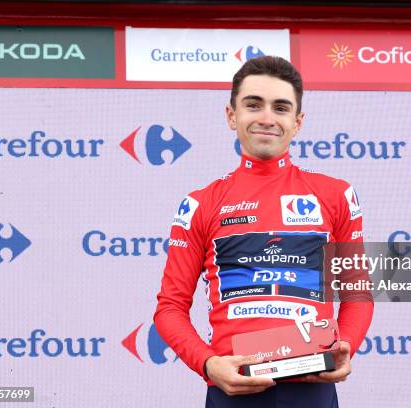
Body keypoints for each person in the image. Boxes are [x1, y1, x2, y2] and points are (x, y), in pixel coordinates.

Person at [154, 56, 373, 407]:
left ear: (297, 122)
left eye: (281, 108)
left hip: (313, 388)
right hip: (232, 391)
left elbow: (357, 295)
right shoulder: (201, 203)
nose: (267, 118)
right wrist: (208, 365)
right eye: (253, 105)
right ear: (231, 115)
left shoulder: (336, 195)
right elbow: (170, 308)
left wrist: (344, 345)